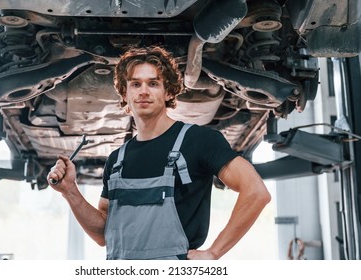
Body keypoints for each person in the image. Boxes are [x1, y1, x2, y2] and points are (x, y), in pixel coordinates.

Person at [47, 46, 271, 260]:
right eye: (135, 84)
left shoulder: (198, 141)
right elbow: (103, 234)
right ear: (124, 94)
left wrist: (213, 252)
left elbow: (256, 191)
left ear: (168, 92)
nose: (143, 91)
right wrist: (70, 191)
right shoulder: (117, 160)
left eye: (153, 83)